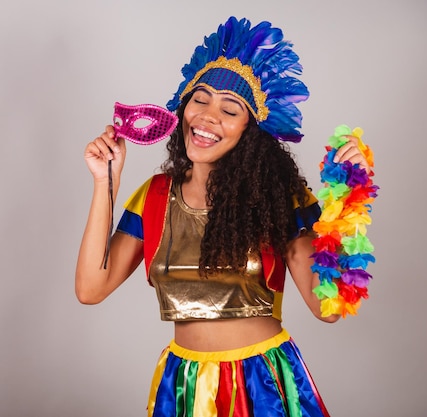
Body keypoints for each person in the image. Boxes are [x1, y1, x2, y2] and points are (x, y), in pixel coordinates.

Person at [76, 16, 371, 417]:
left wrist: (346, 199)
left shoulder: (278, 198)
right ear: (183, 107)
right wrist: (104, 182)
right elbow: (91, 289)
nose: (208, 116)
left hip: (262, 383)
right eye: (200, 99)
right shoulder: (155, 196)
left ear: (251, 130)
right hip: (182, 385)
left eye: (230, 109)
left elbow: (329, 309)